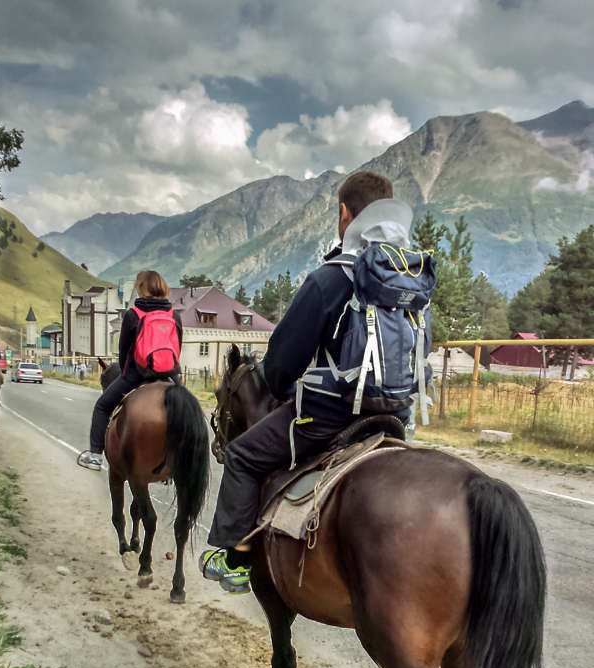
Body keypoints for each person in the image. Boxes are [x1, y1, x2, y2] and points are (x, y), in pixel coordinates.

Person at [200, 171, 414, 594]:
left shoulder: (332, 277)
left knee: (243, 455)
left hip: (330, 415)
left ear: (343, 214)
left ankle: (235, 556)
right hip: (396, 416)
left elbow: (281, 364)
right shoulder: (410, 279)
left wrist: (282, 390)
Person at [77, 270, 182, 470]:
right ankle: (179, 461)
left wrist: (127, 374)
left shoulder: (133, 314)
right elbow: (178, 348)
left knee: (102, 407)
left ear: (142, 288)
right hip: (169, 373)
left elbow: (124, 351)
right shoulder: (174, 314)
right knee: (189, 411)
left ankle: (95, 456)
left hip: (138, 373)